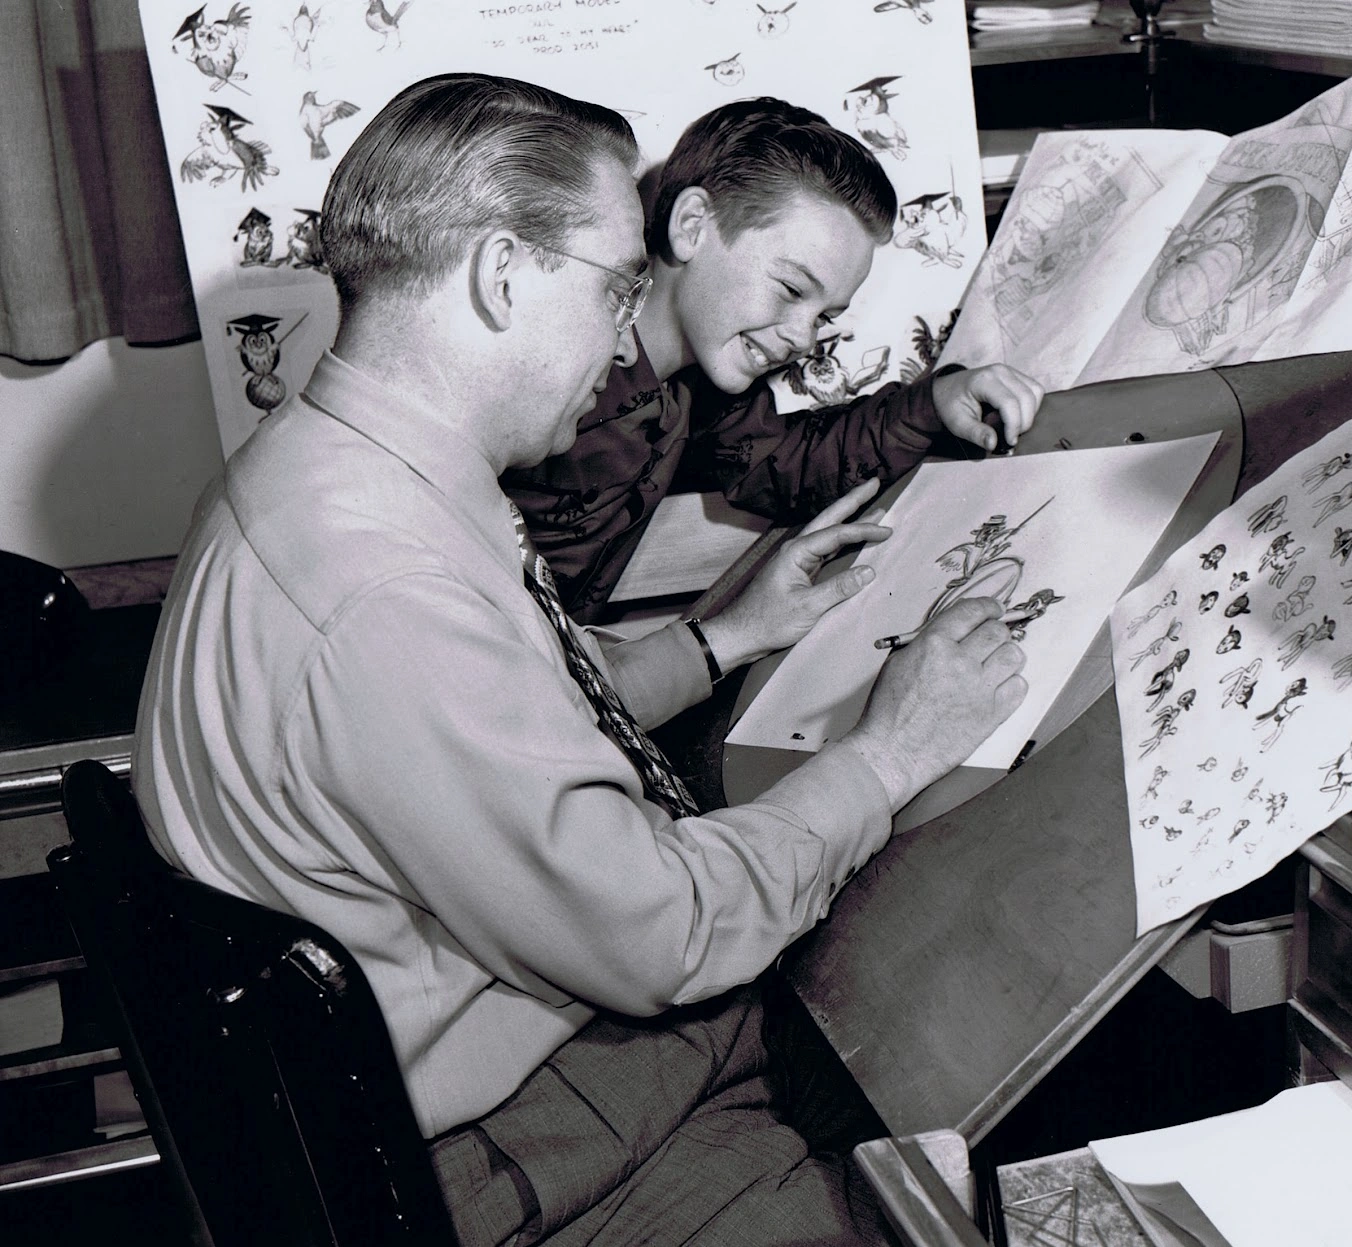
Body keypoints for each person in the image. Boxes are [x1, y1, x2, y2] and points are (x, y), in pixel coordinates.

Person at [133, 73, 1029, 1247]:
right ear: (503, 276)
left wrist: (722, 637)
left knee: (897, 1054)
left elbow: (526, 717)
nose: (623, 337)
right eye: (615, 288)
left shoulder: (335, 472)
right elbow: (665, 932)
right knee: (945, 1121)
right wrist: (892, 749)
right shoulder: (388, 589)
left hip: (475, 1047)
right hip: (507, 1133)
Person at [504, 96, 1045, 620]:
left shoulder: (698, 390)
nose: (804, 338)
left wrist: (930, 404)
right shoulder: (554, 366)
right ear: (692, 226)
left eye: (824, 316)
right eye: (791, 288)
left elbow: (790, 462)